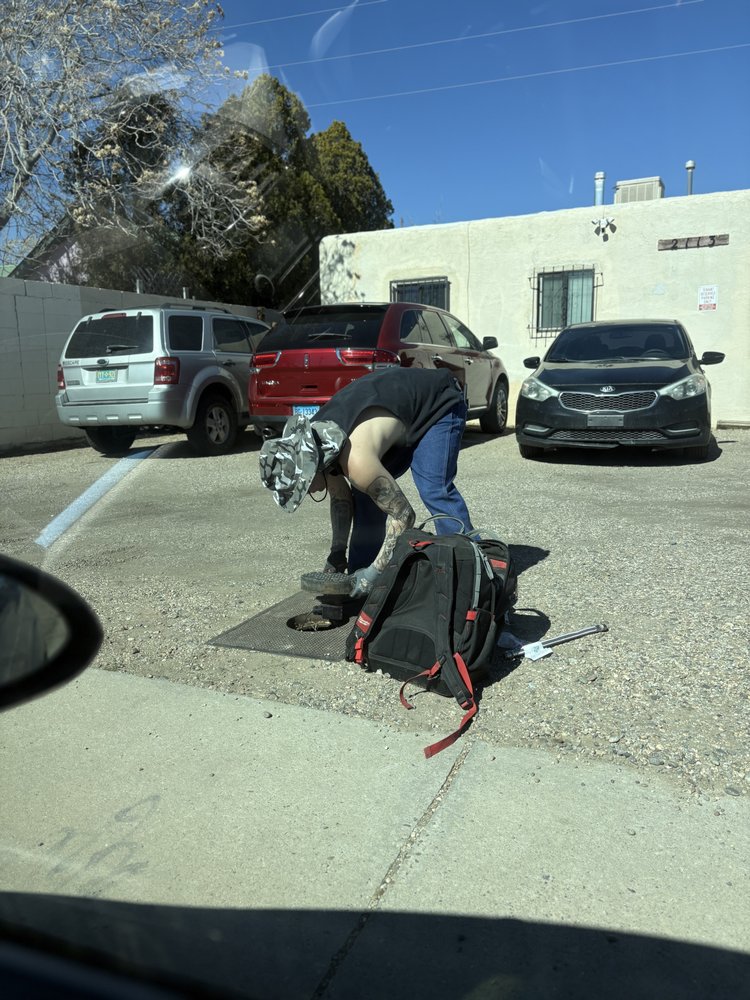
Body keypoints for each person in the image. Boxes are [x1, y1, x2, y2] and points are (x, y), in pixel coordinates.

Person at [259, 367, 475, 597]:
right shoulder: (315, 444)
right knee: (364, 497)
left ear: (311, 472)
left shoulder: (357, 462)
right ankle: (358, 582)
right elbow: (341, 500)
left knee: (434, 489)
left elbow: (404, 516)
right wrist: (337, 552)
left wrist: (373, 574)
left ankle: (472, 574)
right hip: (396, 407)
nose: (309, 493)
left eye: (305, 490)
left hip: (436, 403)